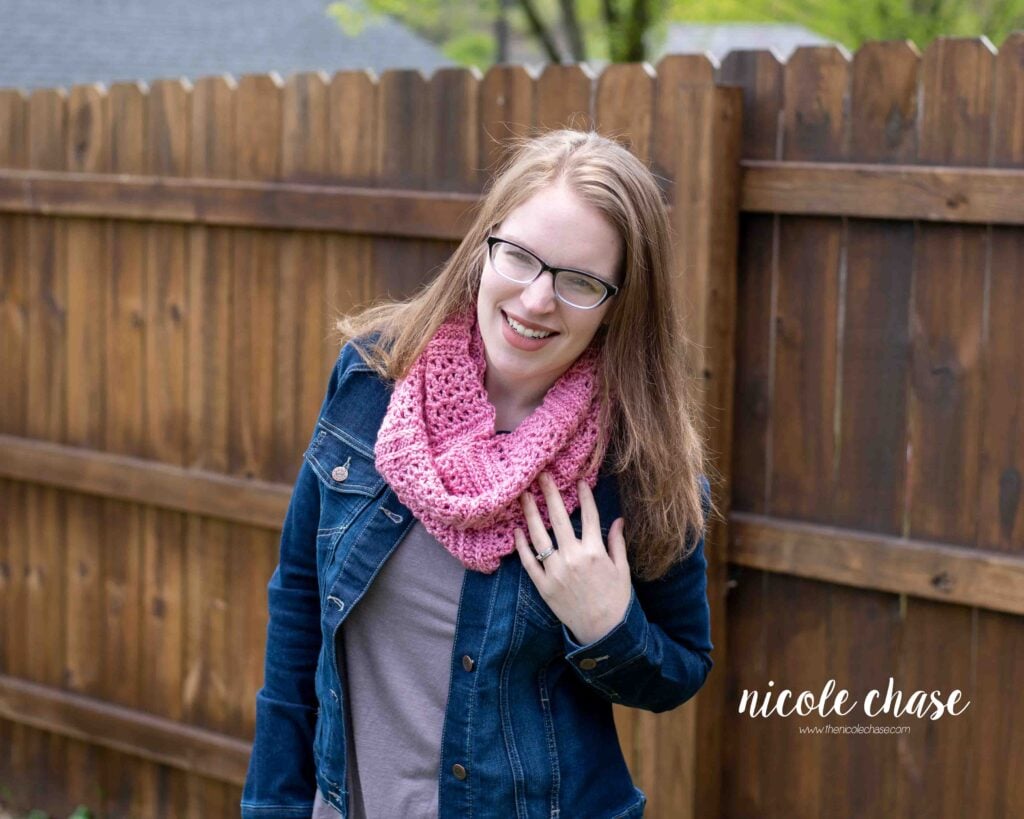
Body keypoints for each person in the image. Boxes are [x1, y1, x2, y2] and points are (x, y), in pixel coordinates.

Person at [240, 128, 717, 819]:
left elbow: (680, 668)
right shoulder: (372, 381)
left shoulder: (636, 466)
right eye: (519, 257)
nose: (535, 300)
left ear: (621, 303)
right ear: (484, 248)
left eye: (579, 281)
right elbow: (298, 613)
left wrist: (608, 627)